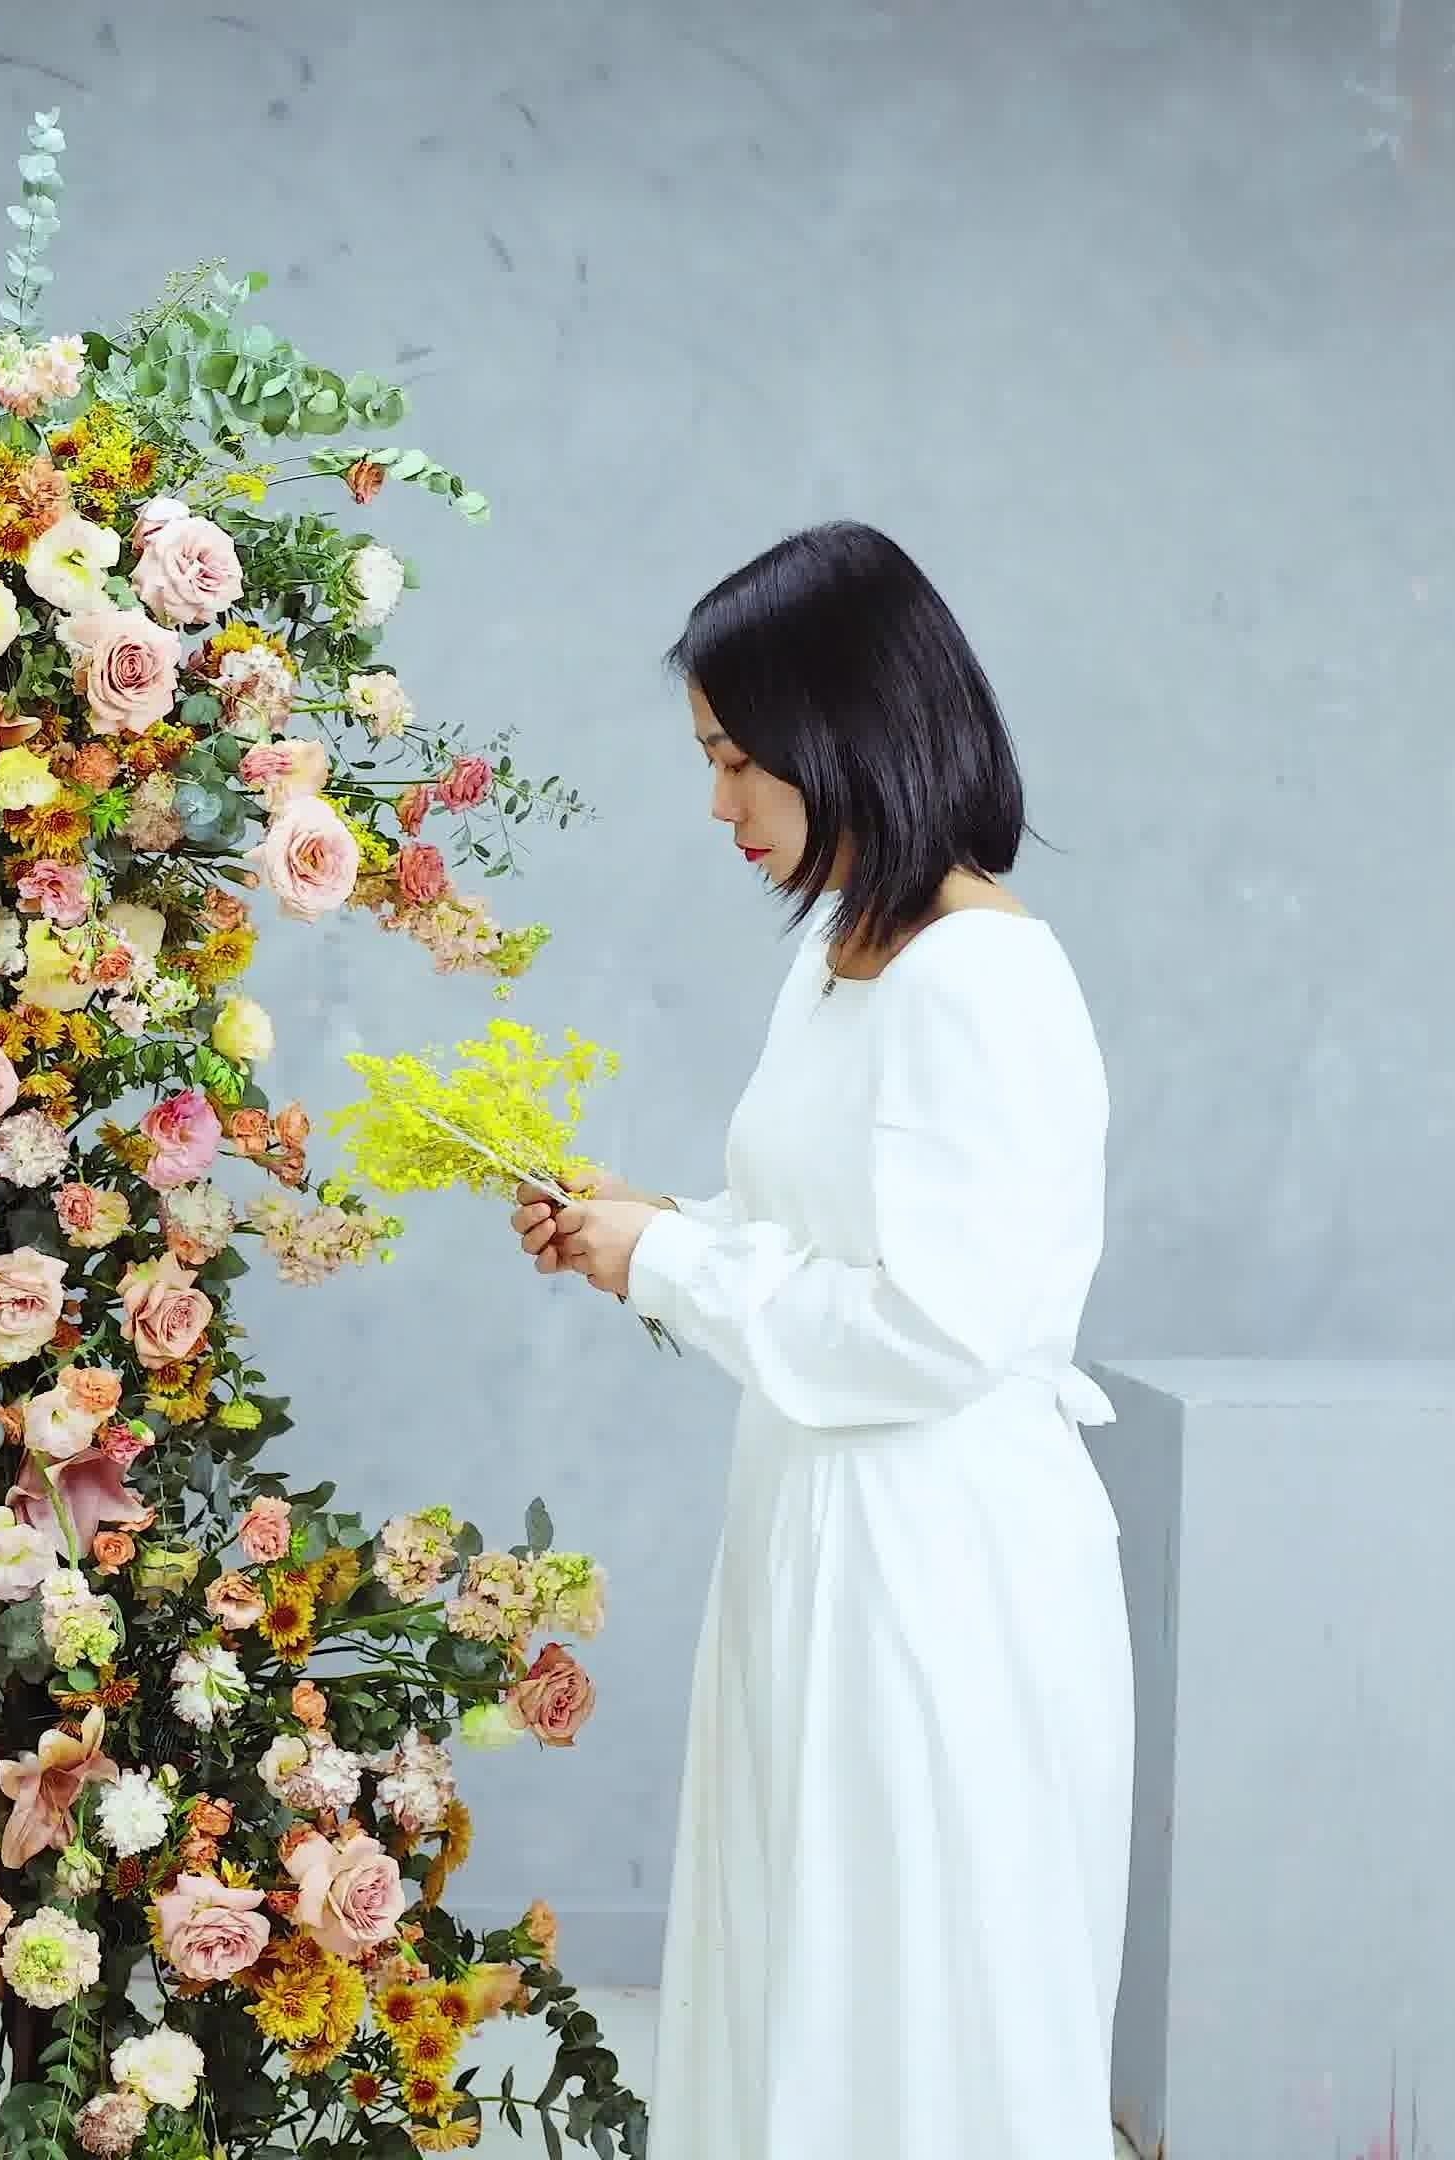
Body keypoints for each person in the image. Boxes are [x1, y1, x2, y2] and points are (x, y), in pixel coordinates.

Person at [514, 521, 1131, 2159]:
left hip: (938, 1558)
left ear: (840, 729)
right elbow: (822, 1245)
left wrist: (675, 1267)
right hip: (816, 1525)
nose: (718, 804)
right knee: (809, 1963)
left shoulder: (981, 980)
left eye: (735, 761)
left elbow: (933, 1328)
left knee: (921, 1982)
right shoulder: (845, 954)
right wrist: (647, 1234)